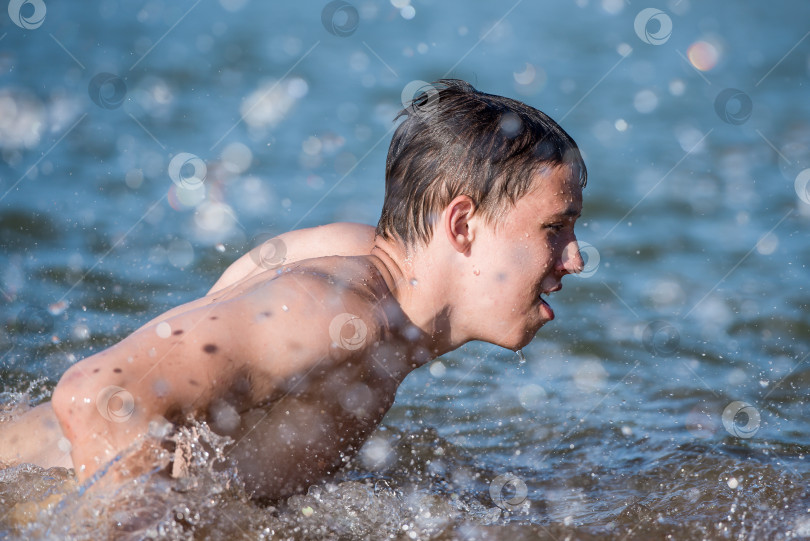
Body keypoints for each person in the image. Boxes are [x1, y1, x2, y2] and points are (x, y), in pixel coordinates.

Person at [0, 79, 587, 502]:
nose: (577, 259)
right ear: (460, 225)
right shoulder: (334, 313)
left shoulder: (374, 271)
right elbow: (99, 395)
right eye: (554, 229)